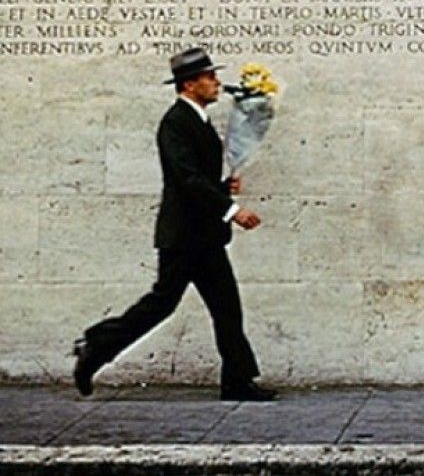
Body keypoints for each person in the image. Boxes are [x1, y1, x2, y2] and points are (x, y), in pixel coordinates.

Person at [72, 47, 276, 402]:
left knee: (227, 307)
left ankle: (238, 381)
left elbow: (200, 177)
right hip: (184, 238)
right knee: (160, 305)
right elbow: (186, 179)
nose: (216, 83)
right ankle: (96, 346)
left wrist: (224, 186)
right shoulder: (174, 122)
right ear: (189, 84)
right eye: (209, 77)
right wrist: (231, 209)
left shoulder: (198, 120)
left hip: (204, 236)